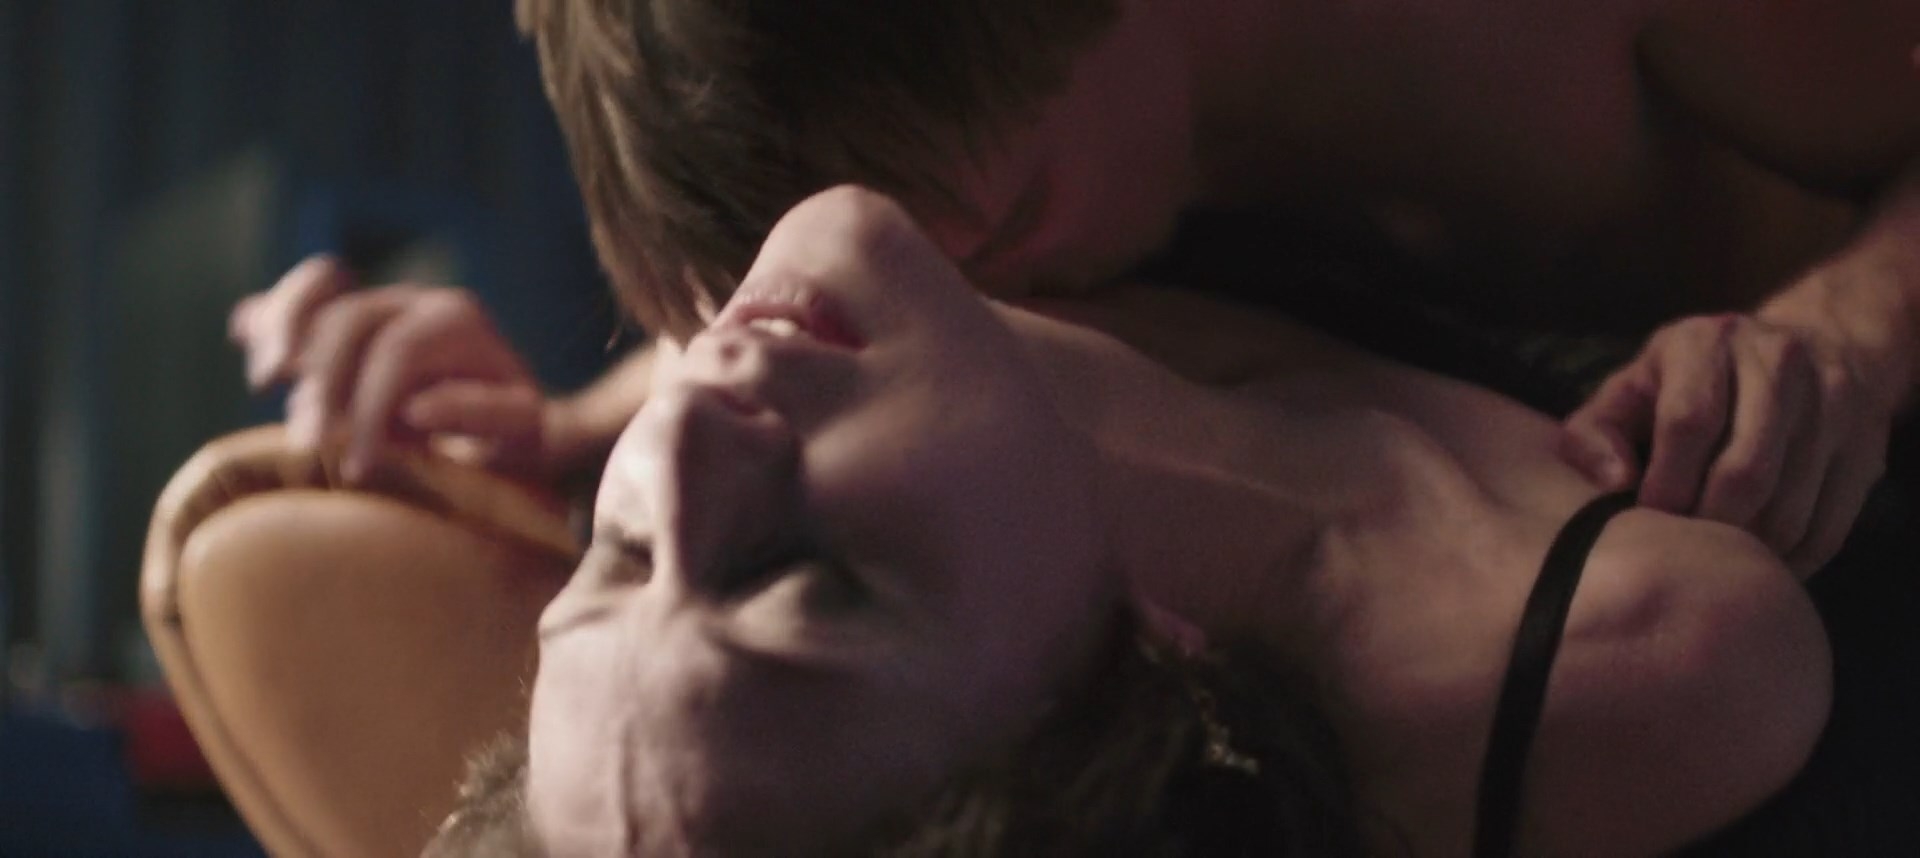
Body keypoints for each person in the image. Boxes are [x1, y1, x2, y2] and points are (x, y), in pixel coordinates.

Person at [233, 0, 1920, 577]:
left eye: (1016, 216)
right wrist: (545, 424)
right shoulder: (1028, 168)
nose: (974, 301)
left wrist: (1846, 326)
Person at [422, 186, 1831, 856]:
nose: (679, 439)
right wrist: (1860, 328)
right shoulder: (1646, 664)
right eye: (797, 579)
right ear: (1131, 686)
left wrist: (545, 417)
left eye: (617, 556)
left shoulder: (840, 315)